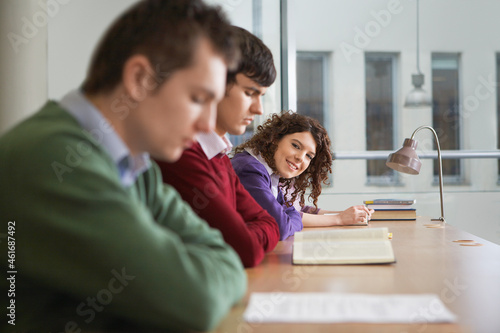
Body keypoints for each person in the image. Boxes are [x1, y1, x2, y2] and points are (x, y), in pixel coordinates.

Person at [0, 1, 247, 332]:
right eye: (198, 99)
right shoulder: (55, 159)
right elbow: (195, 300)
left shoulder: (137, 167)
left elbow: (224, 255)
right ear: (140, 79)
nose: (207, 125)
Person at [156, 26, 279, 268]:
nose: (258, 109)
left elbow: (269, 222)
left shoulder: (219, 154)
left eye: (261, 96)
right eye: (249, 93)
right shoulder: (182, 154)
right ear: (213, 83)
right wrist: (249, 234)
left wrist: (249, 233)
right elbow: (246, 250)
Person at [231, 111, 374, 240]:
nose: (300, 158)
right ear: (275, 139)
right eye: (296, 146)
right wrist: (339, 219)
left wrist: (342, 216)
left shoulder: (270, 174)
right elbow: (280, 227)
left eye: (309, 156)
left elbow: (291, 212)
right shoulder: (250, 170)